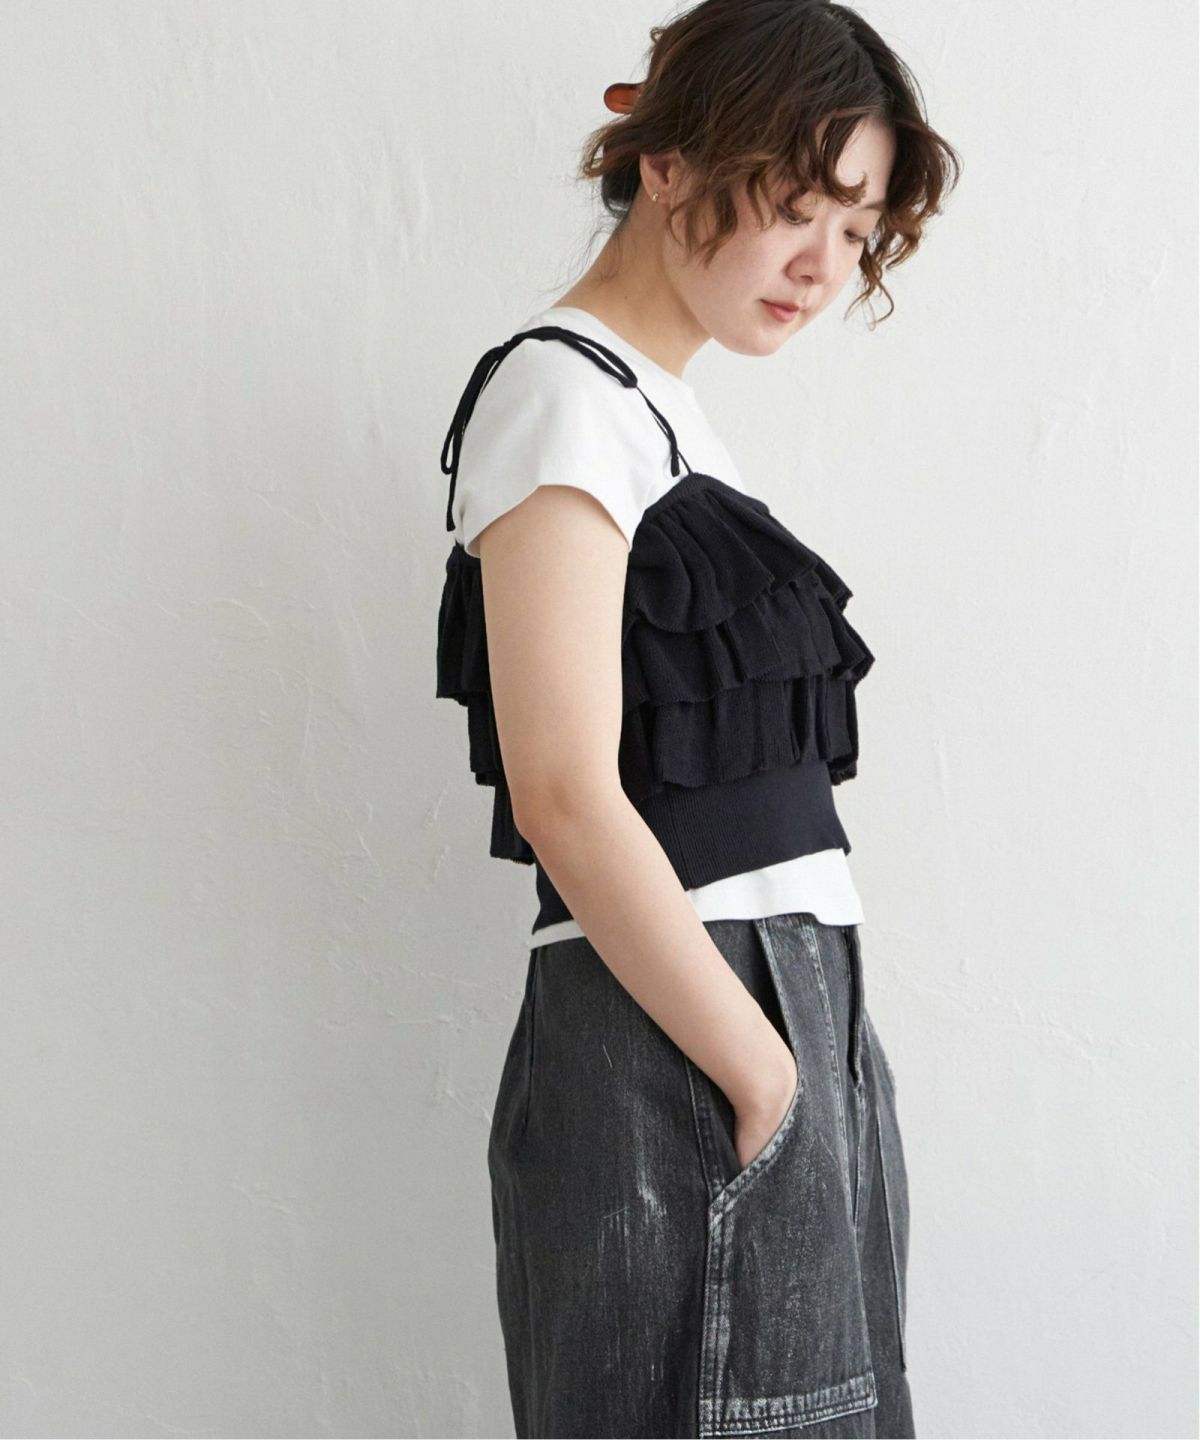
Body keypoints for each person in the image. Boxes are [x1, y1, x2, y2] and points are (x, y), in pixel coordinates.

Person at [434, 2, 961, 1435]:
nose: (823, 264)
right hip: (689, 1032)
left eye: (856, 230)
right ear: (666, 162)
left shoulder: (660, 414)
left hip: (780, 1008)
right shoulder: (558, 395)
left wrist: (808, 1070)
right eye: (797, 204)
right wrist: (764, 1075)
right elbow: (562, 789)